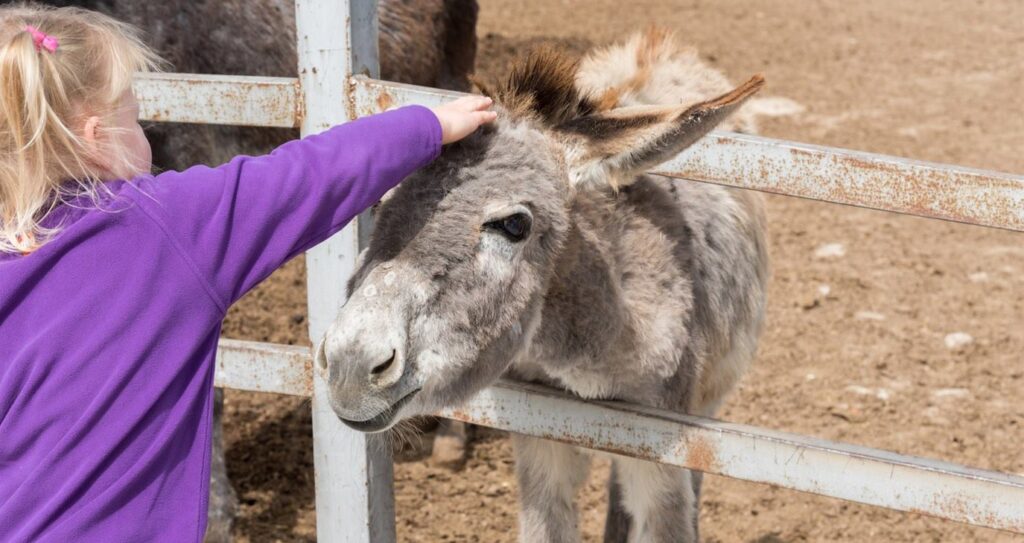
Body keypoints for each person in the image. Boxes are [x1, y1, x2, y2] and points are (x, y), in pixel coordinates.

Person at [0, 4, 495, 541]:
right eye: (136, 119)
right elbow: (308, 177)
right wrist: (427, 125)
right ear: (98, 137)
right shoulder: (165, 226)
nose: (144, 133)